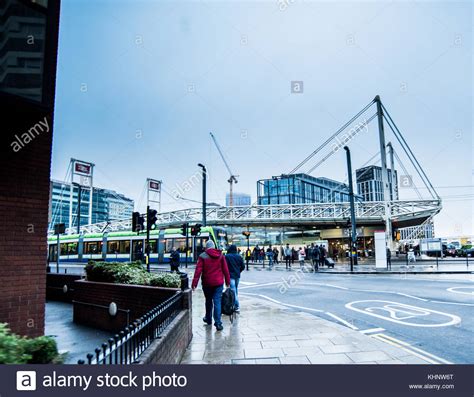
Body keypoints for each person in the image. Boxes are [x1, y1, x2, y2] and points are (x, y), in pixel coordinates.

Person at [192, 240, 230, 331]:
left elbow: (198, 271)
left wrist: (194, 283)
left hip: (207, 283)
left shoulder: (202, 256)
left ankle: (208, 319)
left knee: (208, 301)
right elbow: (225, 270)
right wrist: (227, 282)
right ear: (214, 246)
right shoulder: (220, 255)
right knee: (217, 302)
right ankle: (218, 323)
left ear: (207, 247)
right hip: (218, 283)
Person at [225, 244, 245, 312]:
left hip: (230, 276)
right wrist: (239, 271)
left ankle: (236, 305)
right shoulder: (239, 256)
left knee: (233, 291)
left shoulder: (227, 256)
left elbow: (225, 267)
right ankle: (234, 304)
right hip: (237, 276)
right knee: (235, 290)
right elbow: (243, 266)